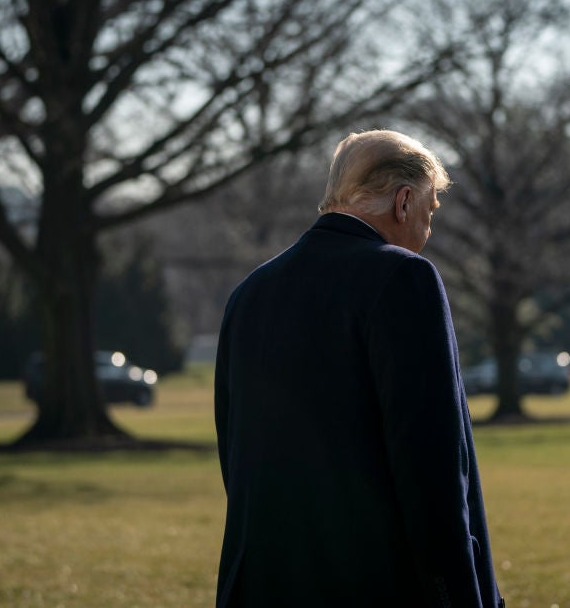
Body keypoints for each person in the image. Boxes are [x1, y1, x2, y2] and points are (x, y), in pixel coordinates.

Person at [213, 130, 504, 607]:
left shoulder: (249, 293)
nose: (427, 234)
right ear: (404, 202)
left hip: (263, 583)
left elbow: (237, 458)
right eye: (430, 213)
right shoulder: (404, 278)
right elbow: (431, 472)